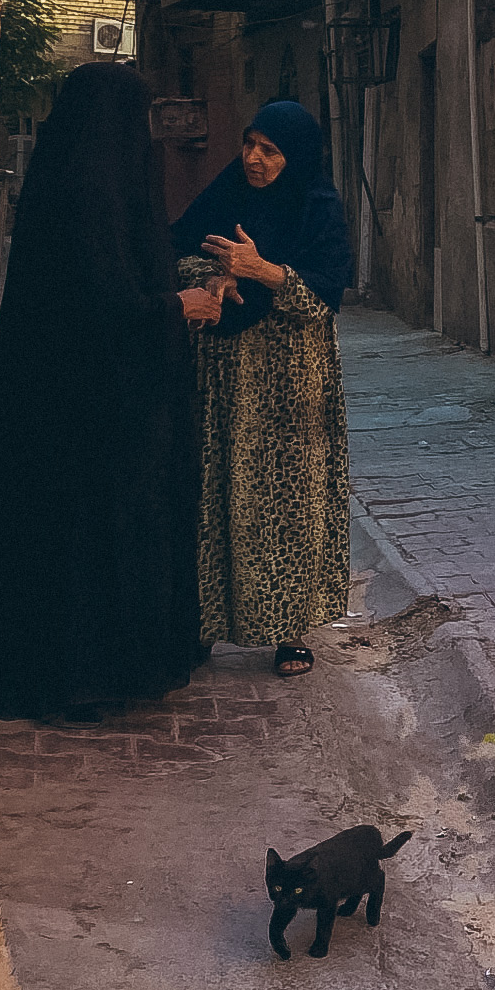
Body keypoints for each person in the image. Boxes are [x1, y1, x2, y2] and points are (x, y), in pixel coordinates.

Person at [0, 64, 224, 720]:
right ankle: (92, 675)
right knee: (95, 534)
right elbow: (104, 307)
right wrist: (179, 308)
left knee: (66, 538)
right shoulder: (95, 191)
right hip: (90, 412)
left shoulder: (65, 179)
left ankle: (74, 671)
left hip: (58, 407)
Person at [169, 100, 352, 678]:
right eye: (250, 143)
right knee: (215, 490)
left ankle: (289, 630)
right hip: (224, 375)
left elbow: (324, 297)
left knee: (287, 502)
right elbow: (177, 253)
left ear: (294, 157)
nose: (254, 158)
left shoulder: (319, 208)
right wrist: (216, 277)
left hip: (292, 382)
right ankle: (204, 623)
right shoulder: (227, 194)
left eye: (270, 150)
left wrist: (263, 269)